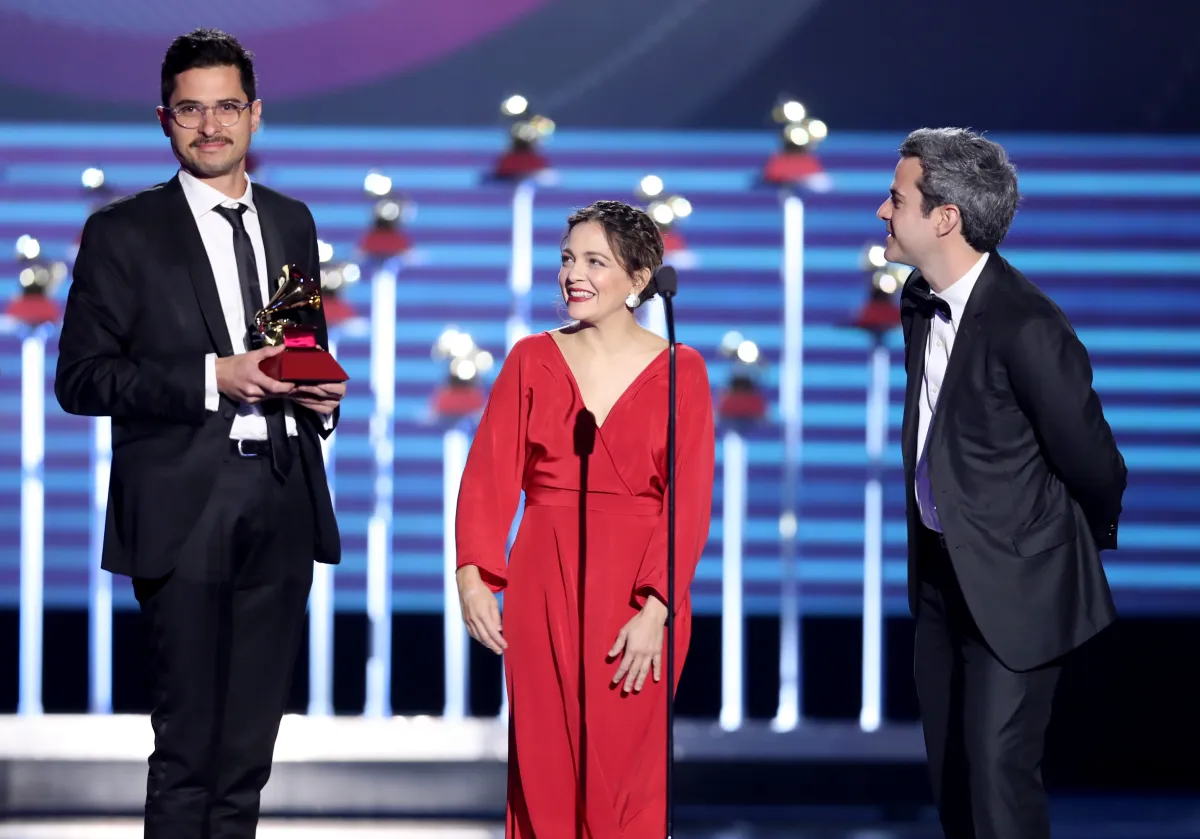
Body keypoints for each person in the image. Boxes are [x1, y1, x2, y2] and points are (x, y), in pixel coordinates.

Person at [54, 28, 343, 839]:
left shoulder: (291, 221)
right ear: (164, 119)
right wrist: (212, 375)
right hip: (184, 505)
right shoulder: (123, 231)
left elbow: (303, 348)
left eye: (227, 106)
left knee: (247, 756)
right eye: (191, 109)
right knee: (188, 751)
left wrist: (321, 398)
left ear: (256, 114)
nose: (210, 125)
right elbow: (80, 379)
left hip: (281, 496)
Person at [879, 127, 1127, 839]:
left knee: (997, 777)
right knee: (954, 776)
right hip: (941, 575)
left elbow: (1094, 462)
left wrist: (1054, 551)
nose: (883, 211)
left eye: (897, 198)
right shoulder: (919, 300)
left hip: (1017, 582)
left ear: (945, 217)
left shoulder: (1027, 325)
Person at [454, 200, 715, 837]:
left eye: (596, 261)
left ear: (639, 278)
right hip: (543, 580)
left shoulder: (682, 370)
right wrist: (472, 577)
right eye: (569, 259)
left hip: (638, 597)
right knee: (546, 765)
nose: (574, 274)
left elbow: (689, 501)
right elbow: (488, 476)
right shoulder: (530, 359)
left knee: (624, 772)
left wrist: (657, 608)